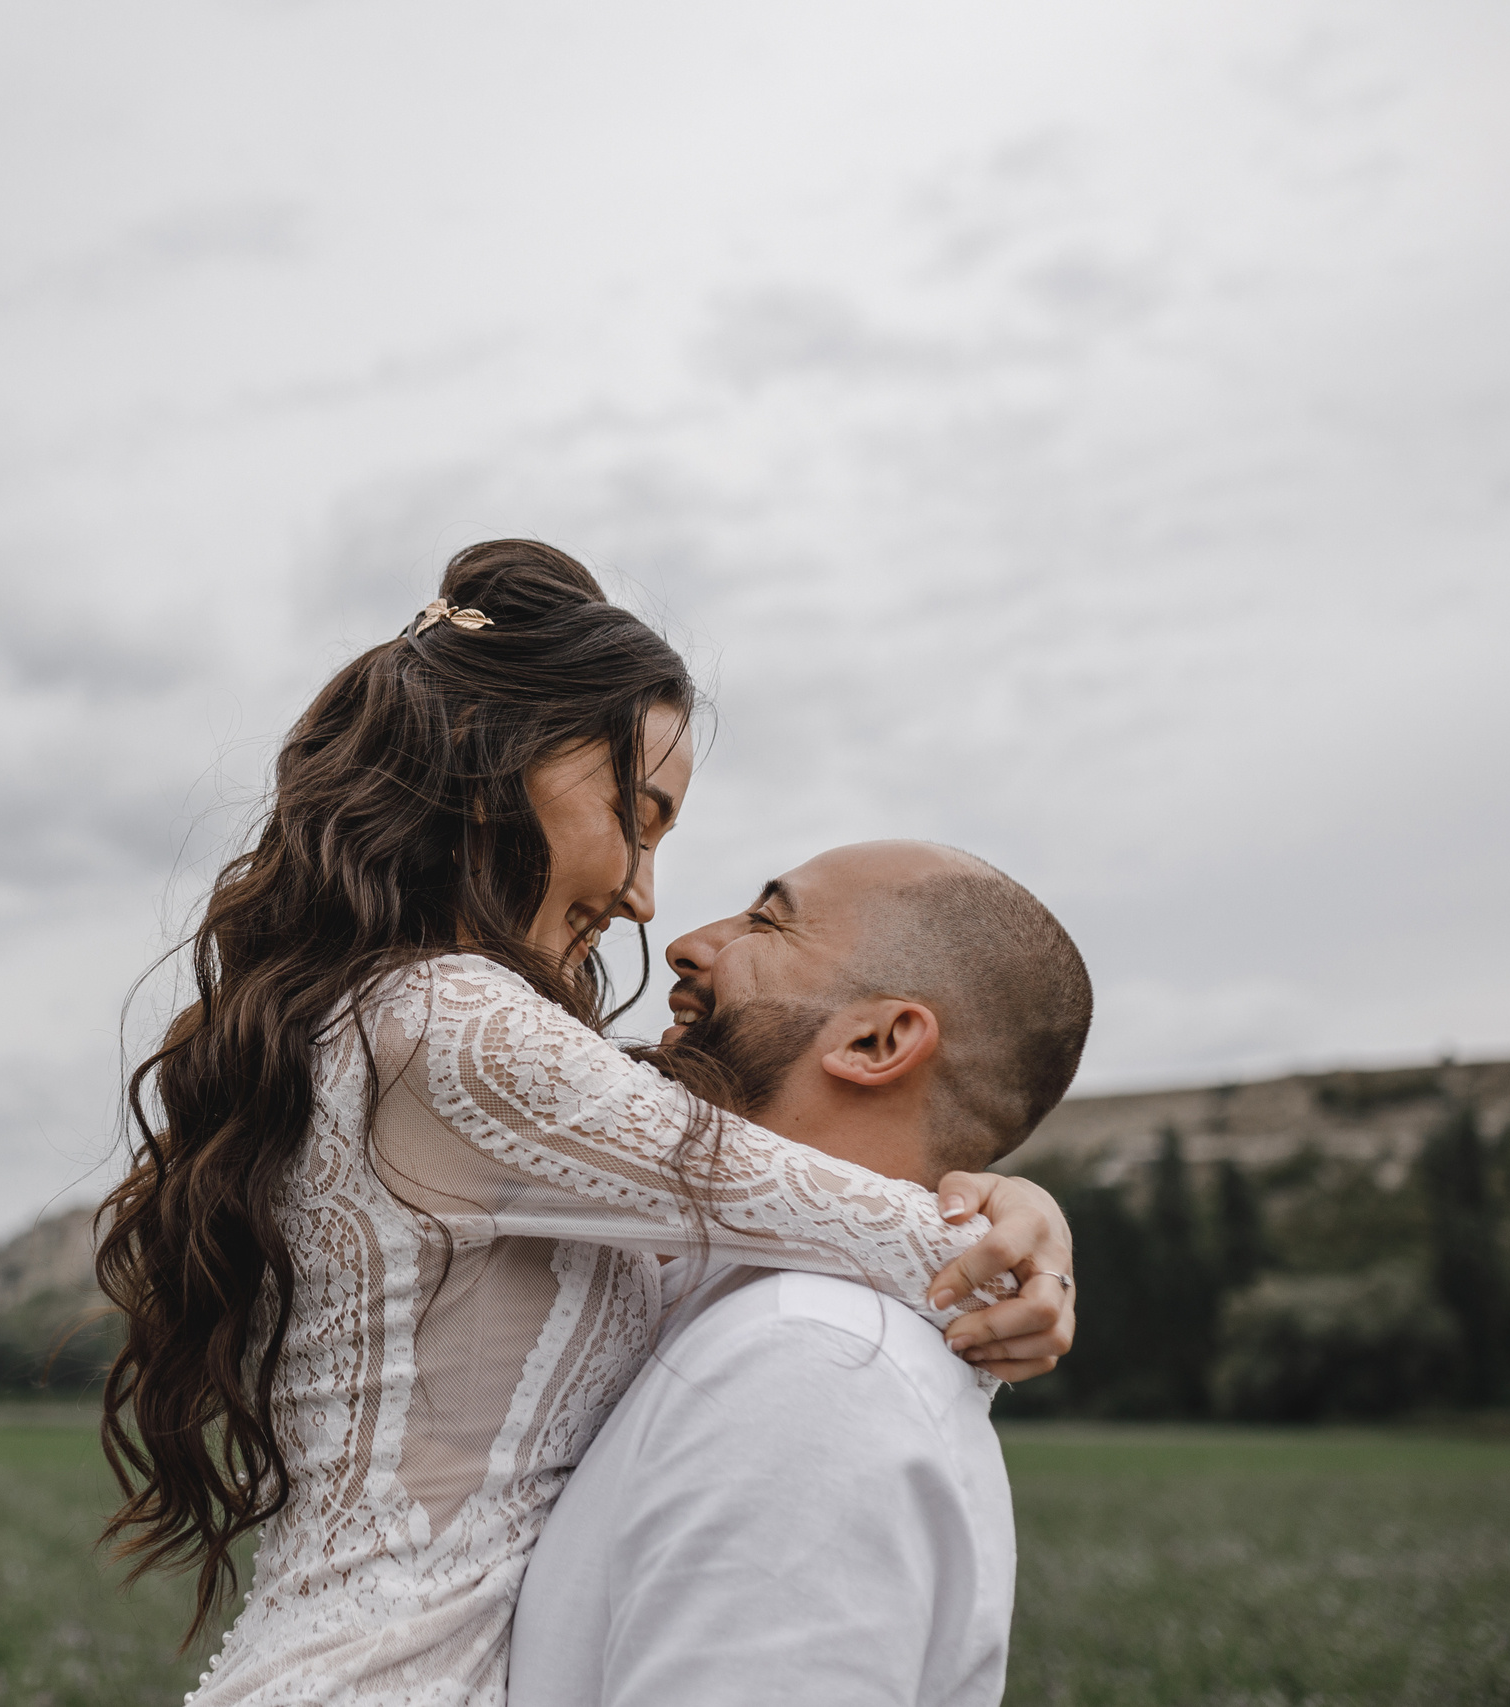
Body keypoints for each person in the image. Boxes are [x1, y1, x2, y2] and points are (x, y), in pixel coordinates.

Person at [95, 542, 1078, 1704]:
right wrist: (1014, 1241)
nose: (646, 897)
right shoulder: (453, 1023)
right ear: (492, 765)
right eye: (637, 815)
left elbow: (759, 1202)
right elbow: (905, 1243)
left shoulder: (431, 1038)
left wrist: (1001, 1196)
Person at [508, 841, 1092, 1707]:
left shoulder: (814, 1362)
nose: (689, 941)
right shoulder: (694, 1292)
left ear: (877, 1039)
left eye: (766, 919)